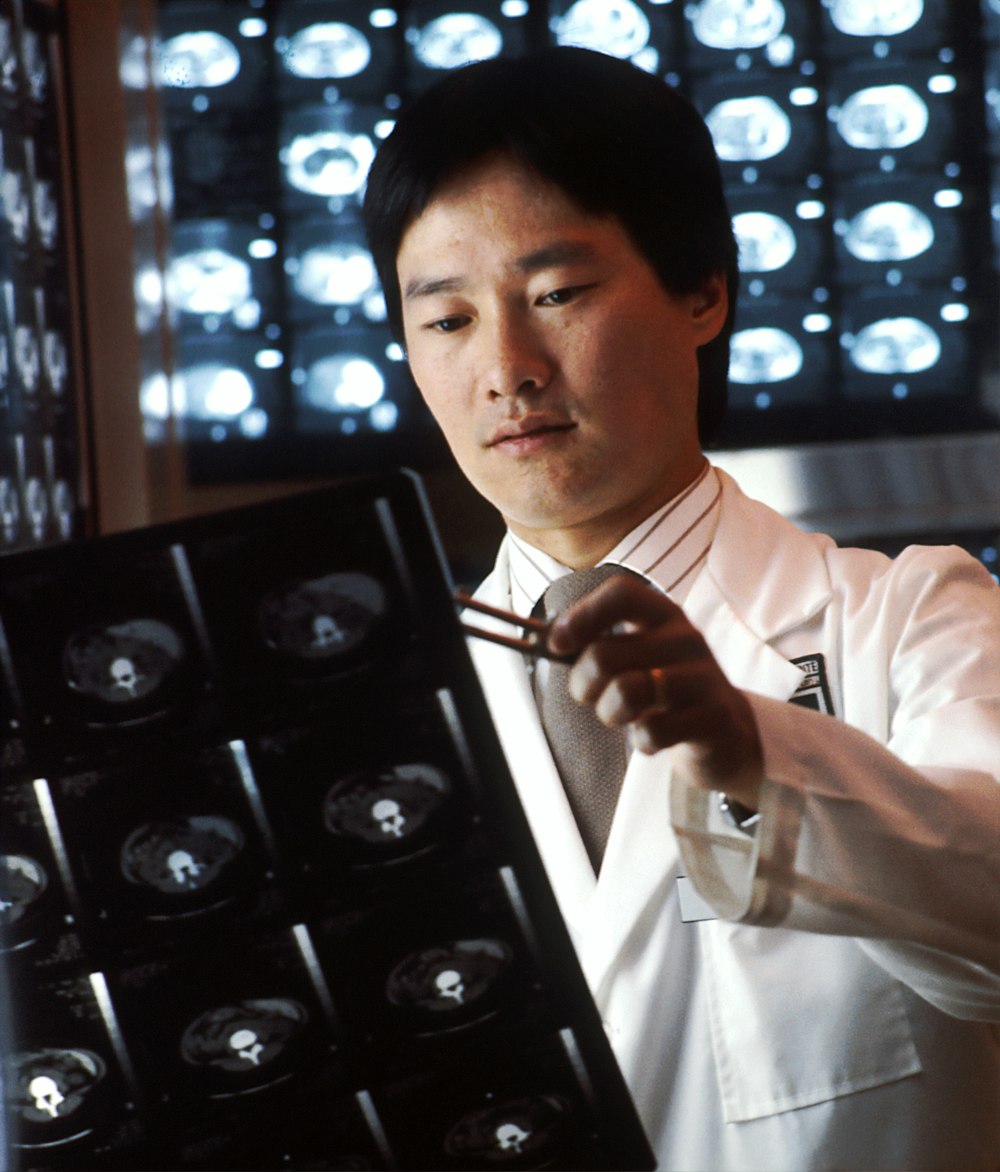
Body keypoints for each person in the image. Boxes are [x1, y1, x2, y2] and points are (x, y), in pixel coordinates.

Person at [363, 46, 1000, 1171]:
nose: (507, 367)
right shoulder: (391, 712)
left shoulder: (909, 619)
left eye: (556, 294)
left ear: (703, 289)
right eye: (448, 320)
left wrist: (749, 748)